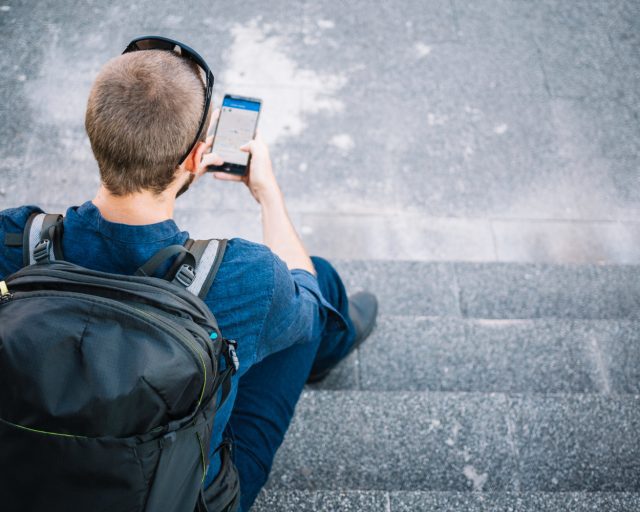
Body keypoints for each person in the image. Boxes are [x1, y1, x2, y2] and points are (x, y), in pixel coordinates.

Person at [0, 38, 377, 511]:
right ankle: (333, 345)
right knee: (312, 285)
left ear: (93, 132)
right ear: (198, 158)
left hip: (29, 480)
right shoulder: (246, 277)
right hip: (185, 498)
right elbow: (302, 298)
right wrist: (268, 196)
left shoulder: (13, 240)